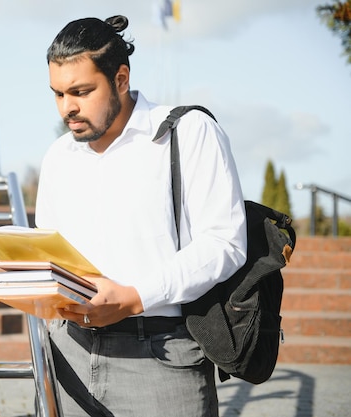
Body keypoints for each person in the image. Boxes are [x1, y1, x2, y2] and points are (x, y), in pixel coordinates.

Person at [34, 15, 248, 417]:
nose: (68, 108)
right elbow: (50, 252)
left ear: (120, 79)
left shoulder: (187, 132)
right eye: (58, 94)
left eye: (81, 91)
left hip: (161, 358)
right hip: (67, 354)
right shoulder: (59, 156)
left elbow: (225, 242)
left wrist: (135, 297)